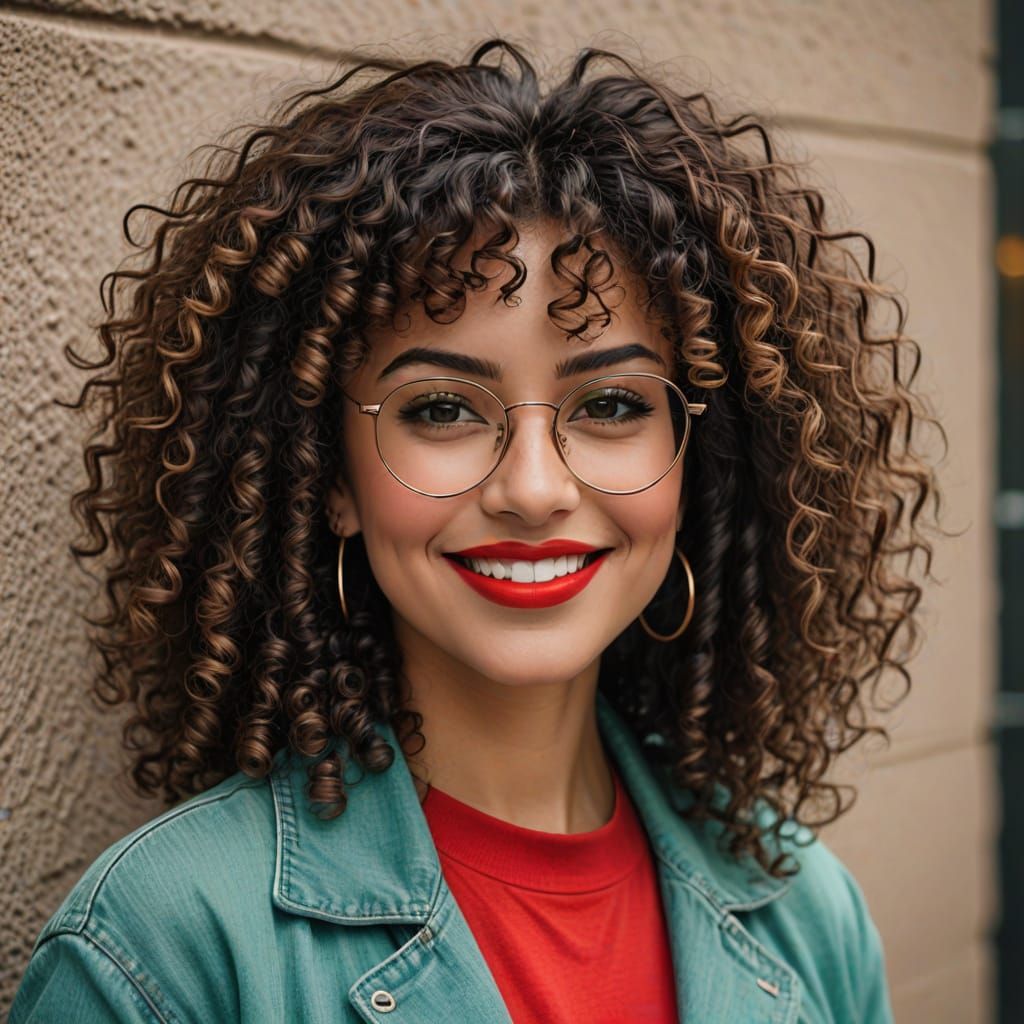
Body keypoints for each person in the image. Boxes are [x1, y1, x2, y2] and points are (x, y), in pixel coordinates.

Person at [9, 37, 944, 1023]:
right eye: (443, 410)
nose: (532, 489)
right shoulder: (162, 947)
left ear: (694, 463)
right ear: (330, 473)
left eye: (614, 405)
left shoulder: (806, 911)